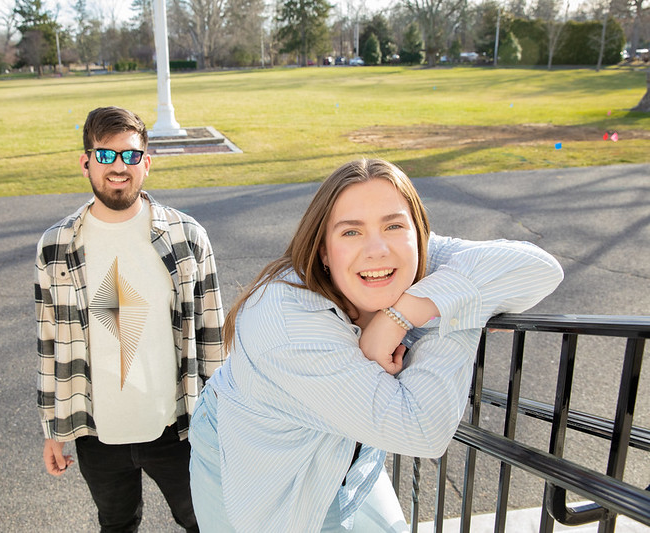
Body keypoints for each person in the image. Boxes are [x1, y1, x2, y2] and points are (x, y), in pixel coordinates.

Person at [188, 158, 564, 532]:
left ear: (419, 235)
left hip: (347, 443)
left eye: (394, 225)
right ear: (323, 250)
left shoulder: (414, 255)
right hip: (262, 459)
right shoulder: (284, 326)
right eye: (351, 232)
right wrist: (458, 309)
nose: (377, 250)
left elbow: (542, 269)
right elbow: (422, 429)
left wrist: (407, 312)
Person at [34, 106, 225, 532]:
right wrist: (54, 429)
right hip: (96, 433)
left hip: (178, 428)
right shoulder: (56, 247)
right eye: (105, 156)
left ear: (147, 163)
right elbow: (50, 343)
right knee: (117, 524)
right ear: (85, 163)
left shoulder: (187, 237)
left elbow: (213, 336)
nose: (118, 167)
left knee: (207, 522)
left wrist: (224, 423)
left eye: (130, 155)